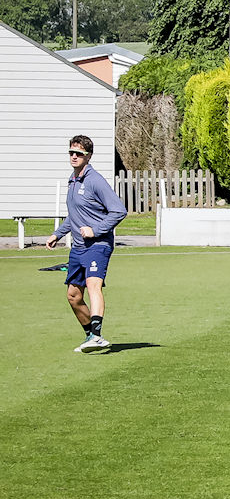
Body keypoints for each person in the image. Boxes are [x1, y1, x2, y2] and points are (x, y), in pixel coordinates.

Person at [45, 134, 127, 353]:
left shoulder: (95, 180)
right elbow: (75, 215)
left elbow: (119, 211)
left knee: (93, 285)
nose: (74, 156)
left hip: (98, 245)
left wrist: (96, 230)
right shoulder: (72, 179)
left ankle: (98, 336)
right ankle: (90, 335)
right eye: (71, 152)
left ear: (88, 156)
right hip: (78, 248)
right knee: (73, 296)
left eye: (79, 153)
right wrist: (58, 234)